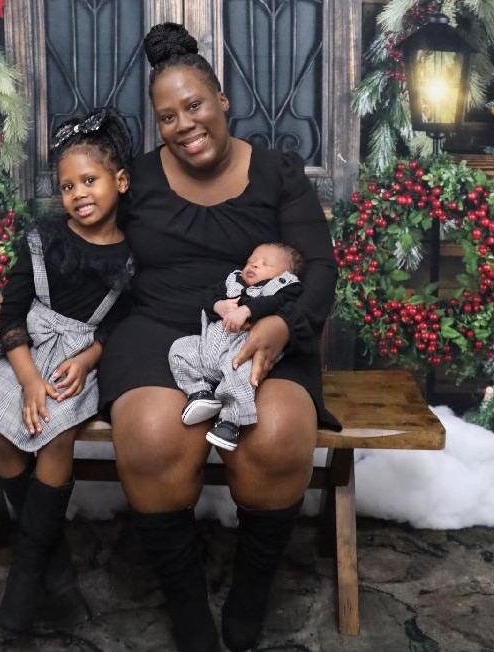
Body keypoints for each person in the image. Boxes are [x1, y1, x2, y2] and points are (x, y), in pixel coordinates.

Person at [95, 23, 342, 652]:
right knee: (153, 440)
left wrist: (283, 326)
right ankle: (185, 599)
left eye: (195, 105)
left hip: (260, 332)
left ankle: (253, 585)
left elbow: (319, 268)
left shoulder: (279, 173)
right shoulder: (135, 180)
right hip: (156, 330)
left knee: (279, 433)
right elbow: (77, 241)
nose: (185, 123)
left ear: (222, 102)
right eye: (167, 115)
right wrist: (17, 305)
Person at [0, 107, 133, 634]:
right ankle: (54, 569)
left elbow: (121, 324)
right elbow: (9, 312)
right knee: (4, 430)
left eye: (89, 180)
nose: (78, 193)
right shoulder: (42, 240)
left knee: (54, 433)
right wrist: (26, 378)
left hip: (77, 360)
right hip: (20, 349)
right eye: (67, 185)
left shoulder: (131, 258)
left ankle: (27, 575)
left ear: (120, 181)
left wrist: (90, 356)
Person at [169, 242, 304, 451]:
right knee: (179, 349)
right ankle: (199, 392)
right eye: (251, 260)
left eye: (265, 264)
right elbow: (208, 296)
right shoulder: (232, 280)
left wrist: (248, 310)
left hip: (240, 355)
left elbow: (276, 303)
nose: (255, 265)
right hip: (206, 349)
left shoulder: (285, 288)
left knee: (244, 377)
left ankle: (229, 422)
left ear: (284, 275)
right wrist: (218, 305)